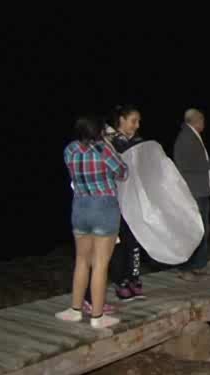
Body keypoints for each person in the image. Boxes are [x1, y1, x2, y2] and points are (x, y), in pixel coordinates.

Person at [56, 115, 127, 329]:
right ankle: (97, 316)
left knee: (81, 261)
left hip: (80, 207)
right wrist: (108, 144)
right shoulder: (103, 151)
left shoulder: (69, 150)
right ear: (99, 132)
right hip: (103, 208)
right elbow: (123, 172)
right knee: (100, 265)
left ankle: (75, 309)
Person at [83, 105, 145, 309]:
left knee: (133, 241)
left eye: (138, 121)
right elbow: (119, 170)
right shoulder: (108, 143)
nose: (136, 125)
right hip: (112, 202)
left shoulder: (137, 142)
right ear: (121, 119)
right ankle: (121, 282)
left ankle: (134, 277)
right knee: (116, 245)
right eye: (133, 120)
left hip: (133, 201)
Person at [174, 108, 210, 281]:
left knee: (202, 229)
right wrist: (209, 163)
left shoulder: (193, 136)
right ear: (196, 120)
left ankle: (198, 265)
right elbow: (184, 165)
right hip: (193, 192)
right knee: (192, 230)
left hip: (201, 191)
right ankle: (185, 268)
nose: (204, 122)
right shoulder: (185, 138)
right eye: (202, 119)